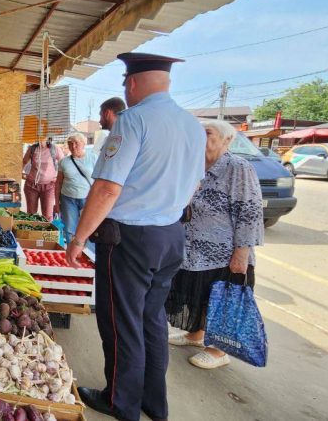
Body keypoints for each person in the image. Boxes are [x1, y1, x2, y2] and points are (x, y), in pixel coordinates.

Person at [65, 52, 207, 421]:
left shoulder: (133, 120)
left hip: (130, 240)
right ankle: (153, 403)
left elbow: (107, 188)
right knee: (151, 321)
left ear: (131, 83)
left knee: (121, 323)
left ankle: (120, 401)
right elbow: (195, 184)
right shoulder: (192, 125)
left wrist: (79, 239)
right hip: (171, 236)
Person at [166, 120, 264, 369]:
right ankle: (196, 335)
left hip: (223, 253)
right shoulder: (195, 166)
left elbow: (250, 212)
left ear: (227, 139)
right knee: (199, 296)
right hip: (194, 251)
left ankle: (219, 350)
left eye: (207, 133)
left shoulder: (237, 167)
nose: (200, 137)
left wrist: (241, 253)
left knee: (221, 299)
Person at [54, 133, 96, 251]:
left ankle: (86, 253)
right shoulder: (64, 162)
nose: (73, 146)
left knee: (88, 227)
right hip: (68, 198)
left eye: (76, 143)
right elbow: (58, 183)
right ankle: (71, 252)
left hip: (87, 198)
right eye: (70, 144)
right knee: (69, 228)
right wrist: (57, 203)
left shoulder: (93, 158)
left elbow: (99, 180)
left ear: (83, 144)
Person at [22, 137, 65, 220]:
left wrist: (59, 178)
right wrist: (20, 173)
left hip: (49, 186)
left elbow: (63, 164)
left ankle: (47, 229)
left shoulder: (54, 149)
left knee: (48, 215)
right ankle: (33, 228)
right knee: (31, 214)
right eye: (38, 136)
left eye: (43, 136)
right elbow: (24, 162)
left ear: (48, 137)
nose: (40, 138)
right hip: (31, 186)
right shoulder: (32, 149)